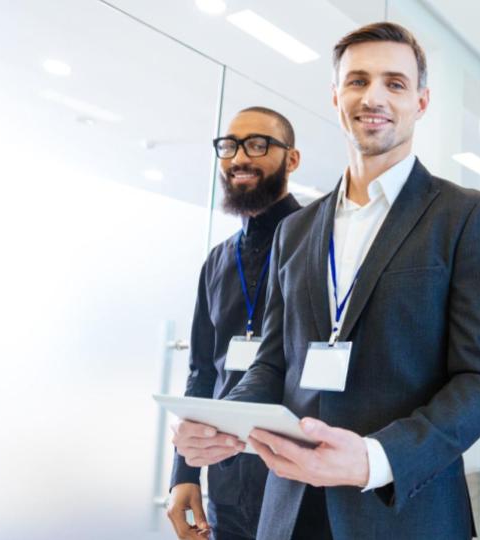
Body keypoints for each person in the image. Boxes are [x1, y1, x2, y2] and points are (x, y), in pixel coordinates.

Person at [171, 22, 480, 540]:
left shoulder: (466, 215)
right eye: (357, 81)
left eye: (394, 83)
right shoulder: (296, 229)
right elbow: (271, 363)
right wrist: (225, 422)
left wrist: (375, 458)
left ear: (421, 102)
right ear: (336, 97)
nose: (373, 96)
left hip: (401, 508)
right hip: (288, 508)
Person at [166, 106, 302, 540]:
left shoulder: (320, 246)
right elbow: (203, 371)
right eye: (230, 146)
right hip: (226, 482)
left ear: (291, 160)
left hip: (296, 478)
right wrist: (184, 473)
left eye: (258, 144)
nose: (240, 157)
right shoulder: (218, 260)